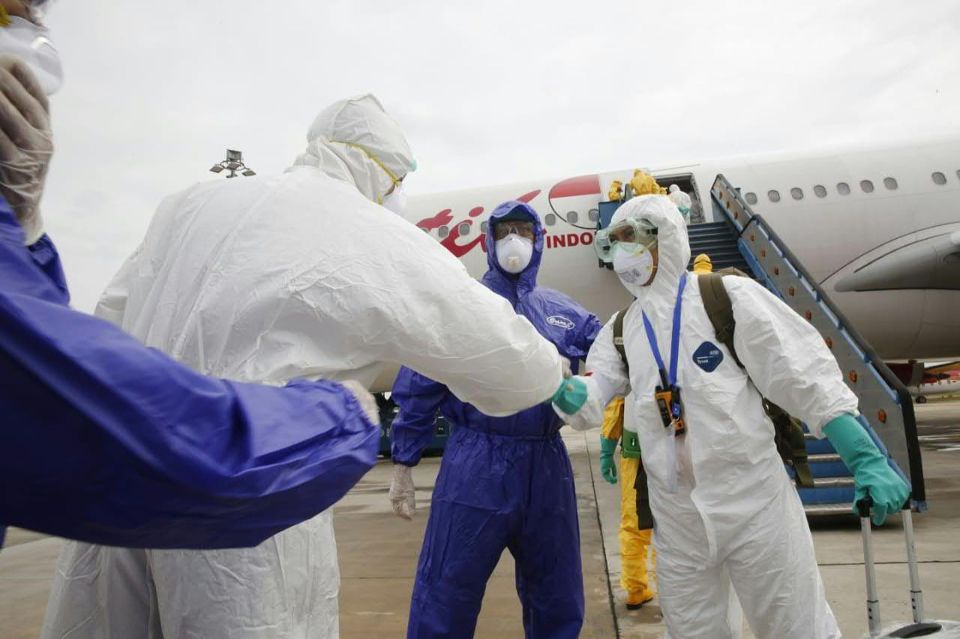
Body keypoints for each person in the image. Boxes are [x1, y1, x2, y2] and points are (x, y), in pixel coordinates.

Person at [43, 97, 576, 639]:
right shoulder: (364, 228)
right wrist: (552, 368)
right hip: (244, 492)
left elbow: (107, 317)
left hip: (121, 478)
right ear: (383, 171)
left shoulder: (186, 206)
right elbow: (494, 349)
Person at [0, 0, 386, 552]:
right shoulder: (305, 216)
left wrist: (26, 236)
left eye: (33, 25)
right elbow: (136, 441)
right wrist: (340, 416)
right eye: (7, 18)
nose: (30, 47)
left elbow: (64, 335)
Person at [555, 194, 910, 638]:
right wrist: (575, 395)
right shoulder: (622, 329)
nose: (626, 252)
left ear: (665, 236)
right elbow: (598, 387)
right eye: (617, 241)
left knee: (794, 624)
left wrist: (865, 457)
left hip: (753, 502)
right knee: (692, 631)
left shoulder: (725, 297)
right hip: (677, 516)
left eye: (634, 238)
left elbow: (799, 374)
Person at [388, 200, 601, 639]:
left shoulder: (560, 310)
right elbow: (420, 381)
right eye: (504, 232)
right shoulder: (465, 305)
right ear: (488, 240)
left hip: (546, 461)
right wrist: (403, 461)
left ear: (538, 239)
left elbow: (611, 358)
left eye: (523, 231)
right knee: (447, 586)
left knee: (556, 590)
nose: (514, 241)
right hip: (476, 462)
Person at [599, 396, 656, 610]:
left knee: (633, 522)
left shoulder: (628, 361)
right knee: (670, 525)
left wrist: (607, 449)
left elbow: (615, 404)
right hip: (672, 445)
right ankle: (672, 593)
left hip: (634, 450)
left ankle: (635, 588)